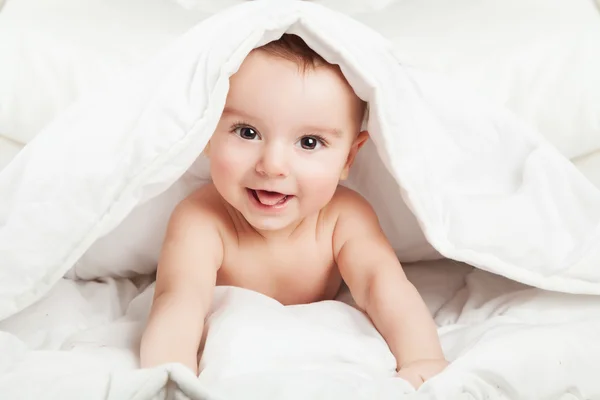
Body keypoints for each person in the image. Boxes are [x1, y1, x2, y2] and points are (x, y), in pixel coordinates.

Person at [140, 34, 448, 389]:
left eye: (309, 142)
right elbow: (179, 299)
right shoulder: (202, 221)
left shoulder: (344, 219)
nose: (272, 166)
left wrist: (422, 358)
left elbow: (384, 286)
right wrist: (170, 374)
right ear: (209, 134)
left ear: (348, 157)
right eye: (247, 132)